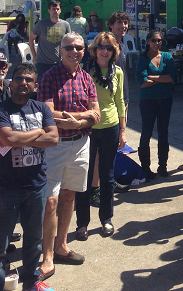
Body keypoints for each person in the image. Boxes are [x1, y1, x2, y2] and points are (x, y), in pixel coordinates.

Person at [0, 64, 59, 291]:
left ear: (35, 85)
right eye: (19, 79)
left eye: (28, 80)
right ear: (11, 83)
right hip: (7, 188)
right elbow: (8, 139)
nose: (23, 83)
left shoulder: (41, 108)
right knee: (0, 244)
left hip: (37, 185)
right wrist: (38, 132)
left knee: (34, 241)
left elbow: (54, 138)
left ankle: (31, 282)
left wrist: (21, 138)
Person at [36, 32, 99, 280]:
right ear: (60, 51)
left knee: (69, 196)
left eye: (79, 47)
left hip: (81, 144)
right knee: (50, 201)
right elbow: (47, 113)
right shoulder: (49, 77)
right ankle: (47, 256)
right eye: (69, 47)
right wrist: (79, 119)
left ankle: (61, 246)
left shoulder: (86, 78)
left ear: (85, 51)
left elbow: (96, 113)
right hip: (56, 146)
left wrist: (75, 121)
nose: (74, 51)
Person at [74, 32, 126, 239]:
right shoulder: (85, 71)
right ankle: (82, 223)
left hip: (111, 126)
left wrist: (123, 130)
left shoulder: (118, 72)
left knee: (107, 175)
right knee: (84, 177)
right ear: (94, 50)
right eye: (101, 47)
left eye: (109, 48)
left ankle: (106, 219)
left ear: (114, 51)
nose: (105, 51)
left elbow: (120, 101)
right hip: (88, 129)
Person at [135, 30, 176, 180]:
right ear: (147, 42)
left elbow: (171, 77)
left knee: (163, 133)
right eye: (153, 40)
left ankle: (162, 165)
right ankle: (146, 167)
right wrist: (161, 78)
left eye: (159, 40)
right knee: (146, 133)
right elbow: (142, 83)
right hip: (147, 101)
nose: (156, 43)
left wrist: (151, 76)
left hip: (165, 99)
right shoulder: (142, 59)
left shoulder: (167, 56)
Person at [29, 0, 72, 80]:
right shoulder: (41, 24)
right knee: (42, 86)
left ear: (60, 10)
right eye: (53, 9)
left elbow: (68, 42)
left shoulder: (65, 25)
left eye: (57, 9)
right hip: (42, 62)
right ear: (49, 10)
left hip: (59, 62)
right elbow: (31, 39)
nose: (55, 11)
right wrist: (34, 56)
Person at [106, 11, 131, 106]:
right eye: (119, 22)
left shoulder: (121, 46)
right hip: (110, 98)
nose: (123, 26)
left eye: (125, 23)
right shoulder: (106, 46)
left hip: (123, 95)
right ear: (111, 25)